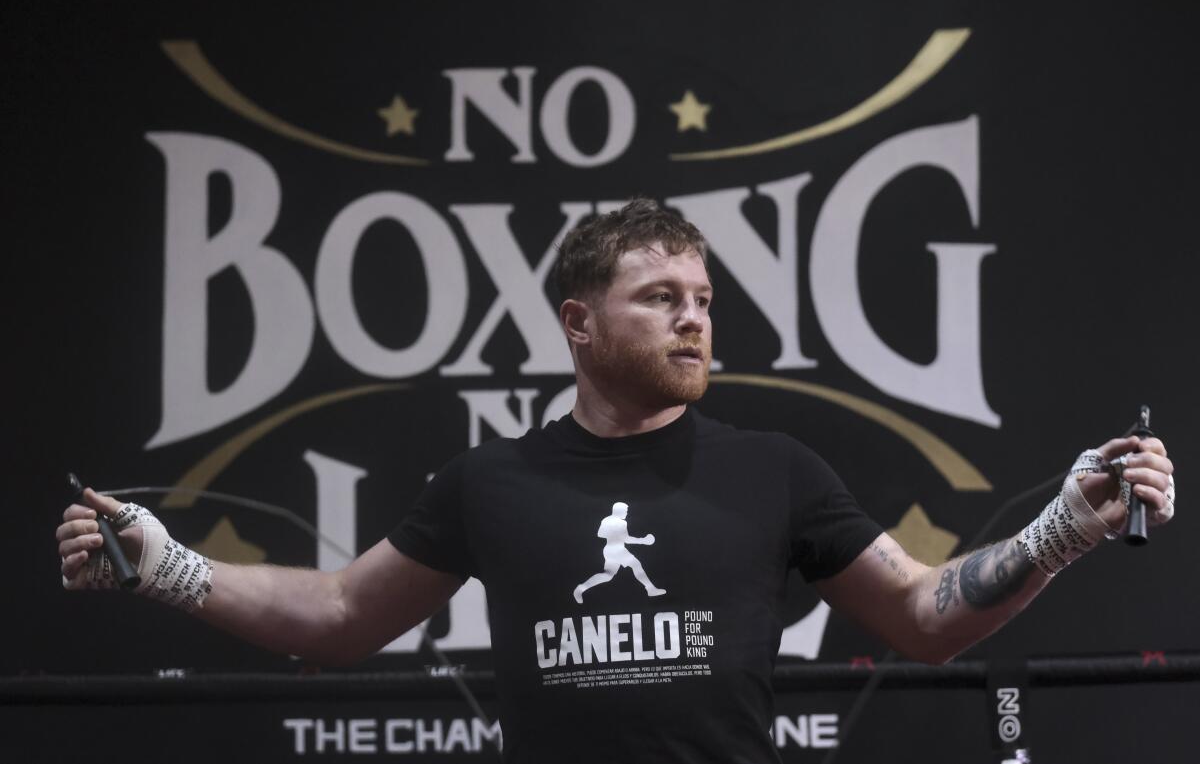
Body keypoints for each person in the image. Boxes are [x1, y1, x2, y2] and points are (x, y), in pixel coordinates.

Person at [58, 199, 1176, 763]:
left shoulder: (771, 467)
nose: (694, 316)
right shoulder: (488, 478)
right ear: (579, 323)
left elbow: (925, 615)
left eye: (703, 297)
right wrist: (173, 566)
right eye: (661, 298)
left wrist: (1062, 529)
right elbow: (344, 615)